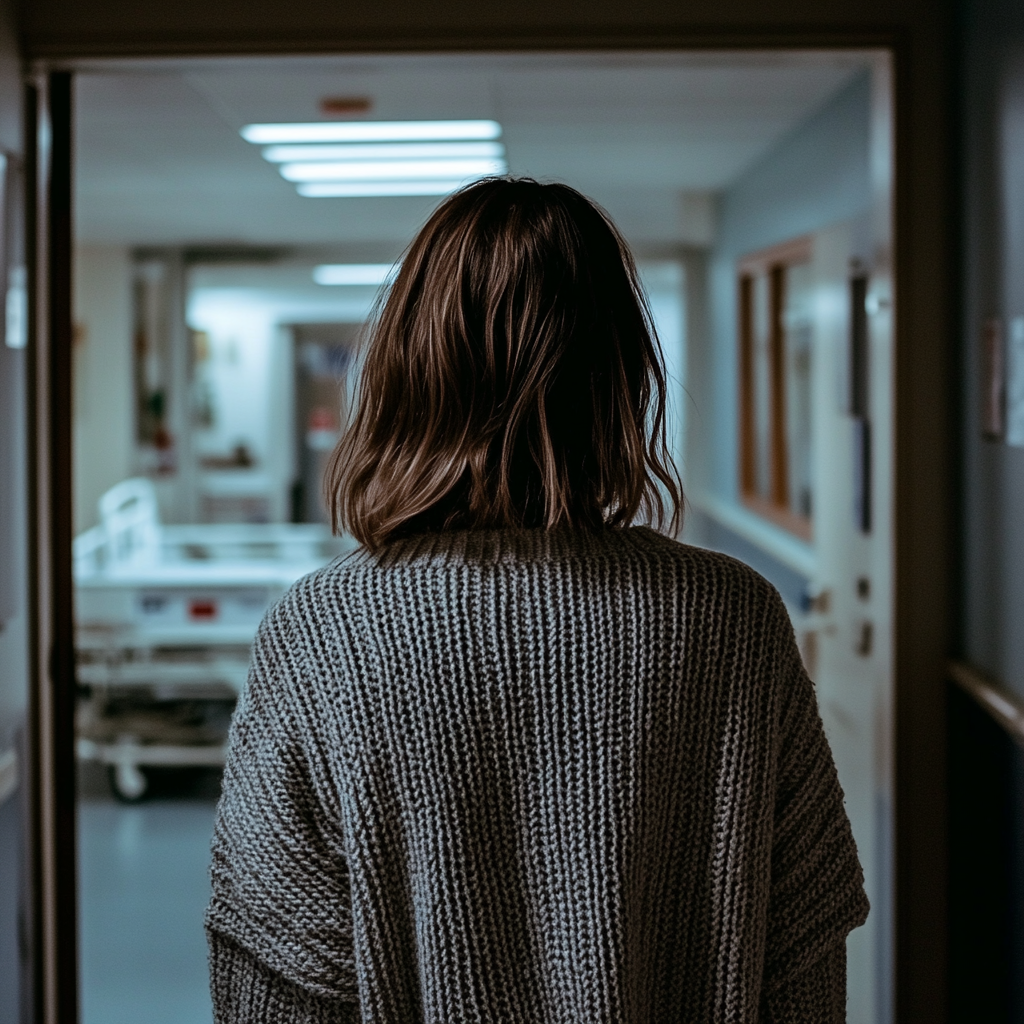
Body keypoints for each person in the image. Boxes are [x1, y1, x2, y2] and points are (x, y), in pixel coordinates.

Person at [205, 178, 868, 1023]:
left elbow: (276, 977)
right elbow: (802, 964)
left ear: (409, 372)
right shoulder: (733, 619)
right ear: (622, 378)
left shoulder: (323, 633)